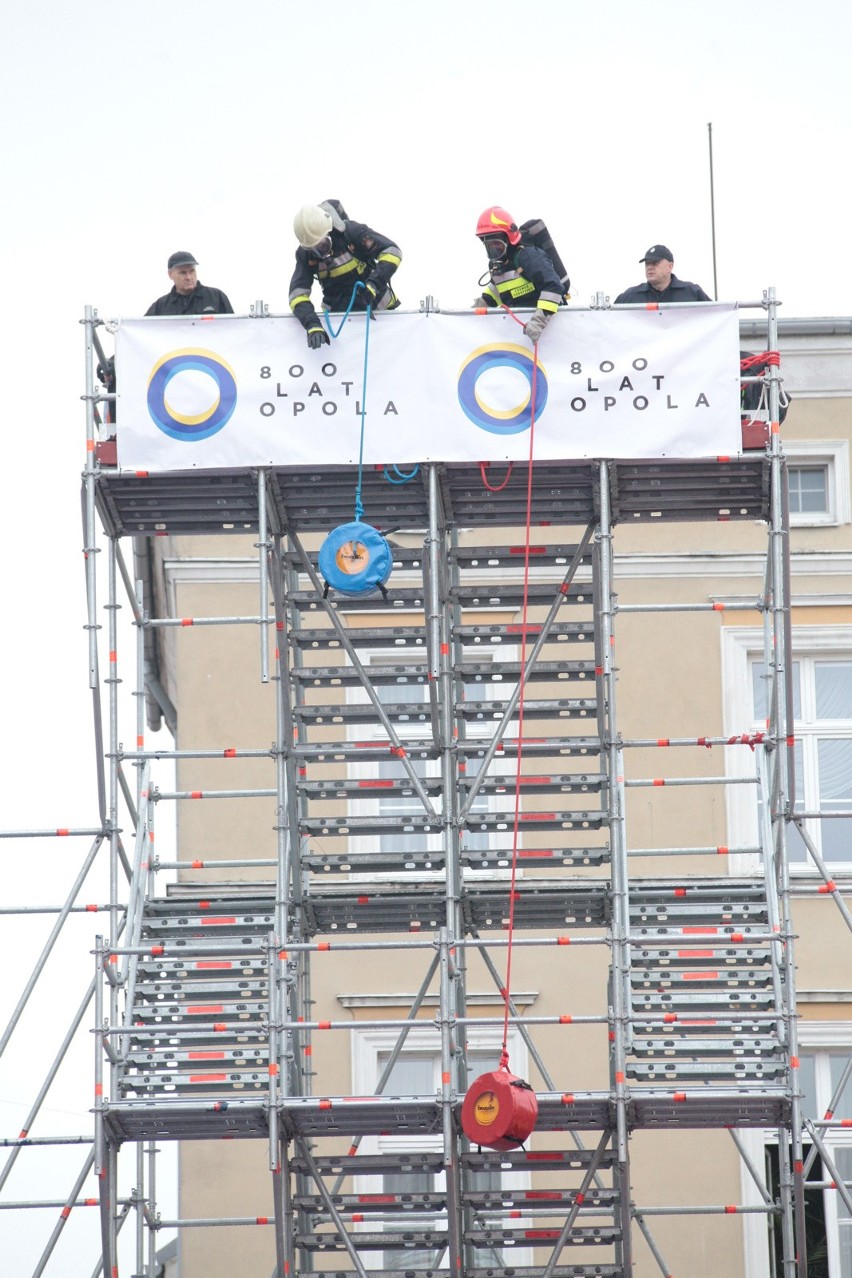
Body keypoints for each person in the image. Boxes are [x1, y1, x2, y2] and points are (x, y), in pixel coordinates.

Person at [289, 201, 402, 349]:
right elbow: (297, 296)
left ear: (329, 232)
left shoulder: (352, 233)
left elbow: (392, 252)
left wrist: (374, 283)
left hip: (382, 315)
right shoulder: (305, 256)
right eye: (314, 250)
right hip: (341, 324)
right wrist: (312, 325)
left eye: (323, 245)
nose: (321, 253)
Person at [473, 206, 564, 342]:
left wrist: (537, 322)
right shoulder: (498, 266)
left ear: (508, 239)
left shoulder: (528, 256)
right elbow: (493, 294)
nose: (494, 252)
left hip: (548, 333)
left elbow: (553, 287)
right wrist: (470, 314)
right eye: (489, 247)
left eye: (497, 245)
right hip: (520, 337)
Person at [614, 245, 711, 305]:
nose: (649, 267)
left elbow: (716, 316)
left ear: (670, 266)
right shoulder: (631, 296)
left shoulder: (692, 292)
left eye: (655, 263)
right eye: (647, 263)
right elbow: (609, 318)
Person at [146, 251, 234, 316]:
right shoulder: (160, 307)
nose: (188, 277)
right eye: (183, 273)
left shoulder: (217, 297)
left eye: (192, 271)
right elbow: (143, 332)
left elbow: (233, 329)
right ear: (170, 275)